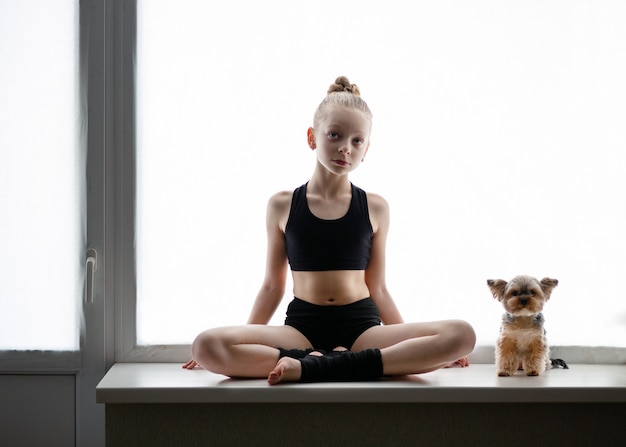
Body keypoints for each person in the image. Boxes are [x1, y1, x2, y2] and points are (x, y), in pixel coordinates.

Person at [184, 76, 476, 384]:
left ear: (367, 149)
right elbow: (272, 286)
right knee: (207, 345)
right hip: (301, 329)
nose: (345, 148)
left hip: (363, 328)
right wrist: (242, 341)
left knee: (462, 334)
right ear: (312, 137)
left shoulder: (375, 207)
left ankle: (313, 366)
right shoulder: (282, 205)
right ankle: (342, 362)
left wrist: (411, 349)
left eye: (356, 141)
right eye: (335, 135)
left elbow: (378, 288)